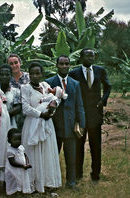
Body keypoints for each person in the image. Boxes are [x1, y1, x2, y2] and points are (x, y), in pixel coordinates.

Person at [69, 48, 111, 181]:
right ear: (81, 57)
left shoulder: (100, 71)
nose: (90, 58)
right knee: (79, 146)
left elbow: (108, 86)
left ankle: (96, 174)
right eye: (87, 56)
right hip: (80, 115)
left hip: (95, 115)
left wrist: (102, 100)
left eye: (92, 56)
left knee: (95, 146)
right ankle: (78, 174)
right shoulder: (74, 73)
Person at [45, 55, 85, 189]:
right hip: (54, 126)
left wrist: (82, 124)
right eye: (61, 64)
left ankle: (71, 182)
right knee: (52, 156)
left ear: (69, 65)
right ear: (56, 65)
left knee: (71, 157)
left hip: (70, 127)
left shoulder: (75, 83)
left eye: (66, 64)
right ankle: (50, 183)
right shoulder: (49, 82)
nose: (64, 66)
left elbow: (79, 105)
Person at [21, 62, 62, 193]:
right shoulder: (25, 88)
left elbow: (55, 99)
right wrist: (41, 114)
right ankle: (33, 184)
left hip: (47, 123)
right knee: (33, 152)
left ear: (42, 74)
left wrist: (51, 110)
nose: (34, 76)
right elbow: (25, 108)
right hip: (33, 123)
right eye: (32, 73)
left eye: (37, 73)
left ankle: (48, 182)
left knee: (46, 152)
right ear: (29, 75)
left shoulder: (46, 86)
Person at [5, 128, 32, 195]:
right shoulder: (10, 151)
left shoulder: (21, 147)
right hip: (13, 170)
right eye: (15, 140)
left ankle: (21, 191)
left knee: (21, 180)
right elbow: (12, 162)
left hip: (21, 169)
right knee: (14, 181)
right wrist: (22, 166)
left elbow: (25, 155)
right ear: (9, 141)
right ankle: (13, 192)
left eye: (19, 139)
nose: (18, 141)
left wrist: (27, 163)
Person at [0, 64, 22, 129]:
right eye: (1, 74)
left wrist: (4, 115)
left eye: (7, 74)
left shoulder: (16, 92)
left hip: (11, 125)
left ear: (11, 76)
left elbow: (18, 107)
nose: (4, 77)